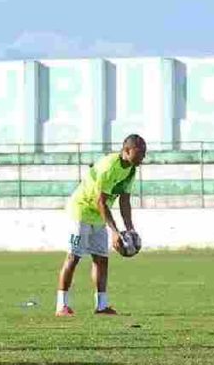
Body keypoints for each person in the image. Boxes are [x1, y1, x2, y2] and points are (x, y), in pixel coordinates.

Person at [55, 134, 146, 316]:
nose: (143, 157)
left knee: (101, 259)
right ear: (127, 150)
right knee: (74, 257)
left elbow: (124, 201)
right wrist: (114, 232)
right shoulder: (109, 166)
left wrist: (130, 229)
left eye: (144, 153)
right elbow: (100, 202)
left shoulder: (131, 170)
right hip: (82, 210)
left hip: (99, 216)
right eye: (140, 153)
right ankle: (61, 305)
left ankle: (101, 306)